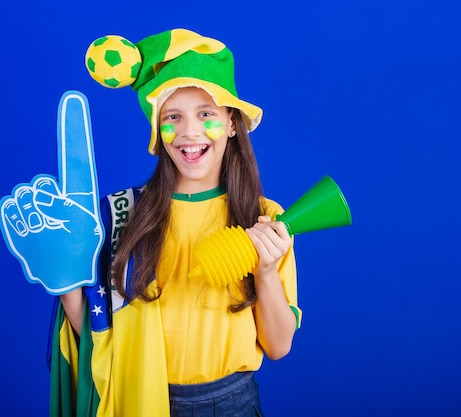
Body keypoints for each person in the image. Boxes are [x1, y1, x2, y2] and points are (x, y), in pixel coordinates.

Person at [49, 28, 301, 417]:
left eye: (206, 114)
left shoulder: (265, 217)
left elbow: (279, 346)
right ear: (157, 129)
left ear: (232, 123)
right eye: (173, 117)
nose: (188, 132)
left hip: (232, 404)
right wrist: (65, 282)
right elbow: (100, 337)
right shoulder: (124, 216)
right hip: (145, 401)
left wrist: (266, 272)